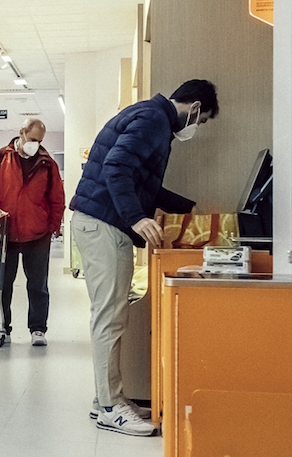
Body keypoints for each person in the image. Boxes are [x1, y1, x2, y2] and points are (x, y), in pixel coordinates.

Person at [71, 79, 218, 437]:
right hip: (103, 224)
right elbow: (117, 168)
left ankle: (106, 398)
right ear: (195, 108)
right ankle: (110, 407)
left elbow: (144, 184)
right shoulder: (154, 119)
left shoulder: (151, 116)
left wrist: (188, 208)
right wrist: (137, 217)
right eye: (202, 120)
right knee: (110, 316)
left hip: (100, 222)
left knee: (111, 314)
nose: (197, 128)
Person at [0, 118, 65, 348]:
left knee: (38, 285)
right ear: (22, 133)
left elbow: (57, 199)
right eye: (33, 139)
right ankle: (1, 328)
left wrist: (52, 227)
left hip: (37, 234)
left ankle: (38, 329)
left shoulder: (47, 164)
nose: (36, 144)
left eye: (40, 140)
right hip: (6, 233)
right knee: (1, 284)